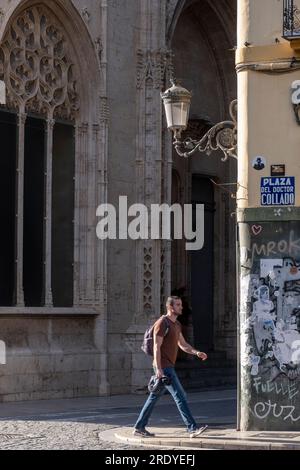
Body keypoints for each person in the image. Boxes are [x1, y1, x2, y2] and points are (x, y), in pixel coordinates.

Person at [133, 296, 208, 438]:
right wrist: (159, 368)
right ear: (170, 307)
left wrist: (196, 352)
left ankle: (139, 427)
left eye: (181, 304)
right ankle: (192, 428)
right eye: (178, 305)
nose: (181, 307)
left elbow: (183, 345)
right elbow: (156, 346)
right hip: (165, 367)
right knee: (180, 396)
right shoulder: (162, 323)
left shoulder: (177, 325)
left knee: (153, 397)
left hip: (167, 366)